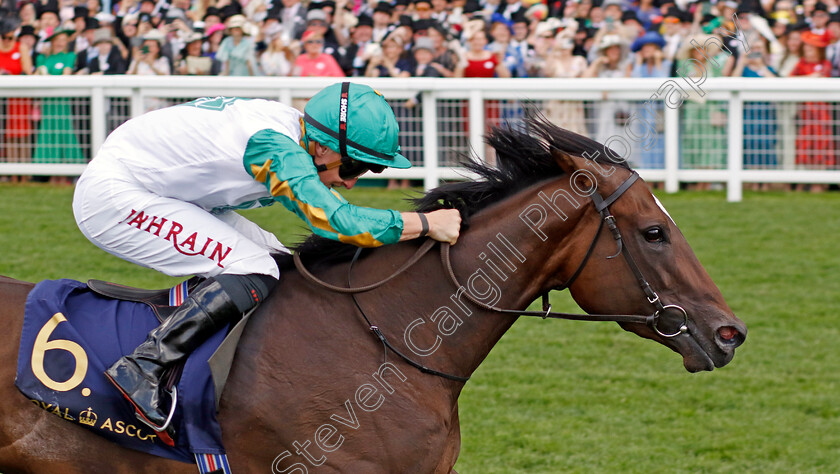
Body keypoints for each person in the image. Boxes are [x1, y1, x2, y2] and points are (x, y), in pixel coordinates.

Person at [72, 83, 462, 444]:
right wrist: (425, 223)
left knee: (278, 263)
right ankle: (144, 366)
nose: (351, 182)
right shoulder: (275, 148)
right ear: (323, 150)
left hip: (164, 191)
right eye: (354, 167)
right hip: (117, 197)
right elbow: (338, 222)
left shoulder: (296, 136)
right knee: (254, 269)